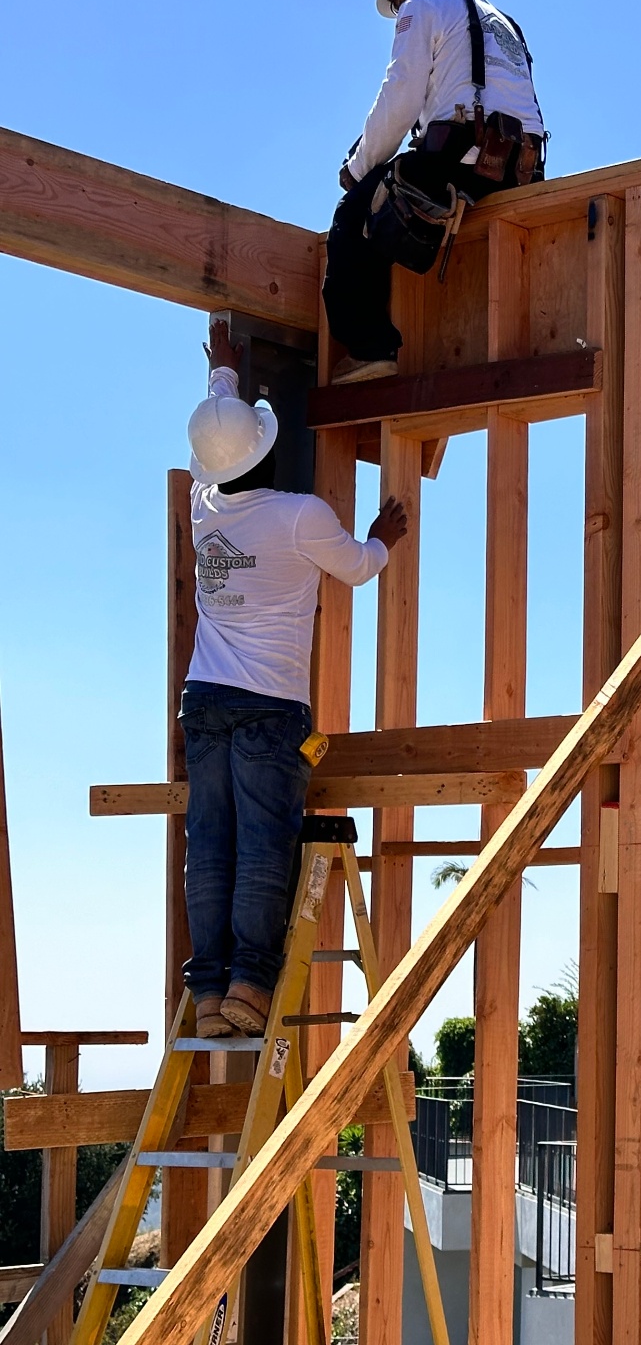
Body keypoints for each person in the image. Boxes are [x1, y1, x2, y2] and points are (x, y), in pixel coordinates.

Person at [182, 317, 408, 1039]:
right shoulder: (300, 516)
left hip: (205, 698)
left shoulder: (202, 510)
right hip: (270, 706)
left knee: (211, 840)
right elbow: (362, 568)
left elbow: (211, 451)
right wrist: (383, 536)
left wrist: (222, 376)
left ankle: (212, 991)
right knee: (262, 843)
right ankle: (251, 981)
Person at [322, 0, 546, 383]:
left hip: (462, 162)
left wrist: (359, 168)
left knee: (353, 215)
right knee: (393, 190)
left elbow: (400, 98)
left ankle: (370, 349)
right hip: (521, 171)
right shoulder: (501, 21)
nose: (401, 9)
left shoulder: (423, 8)